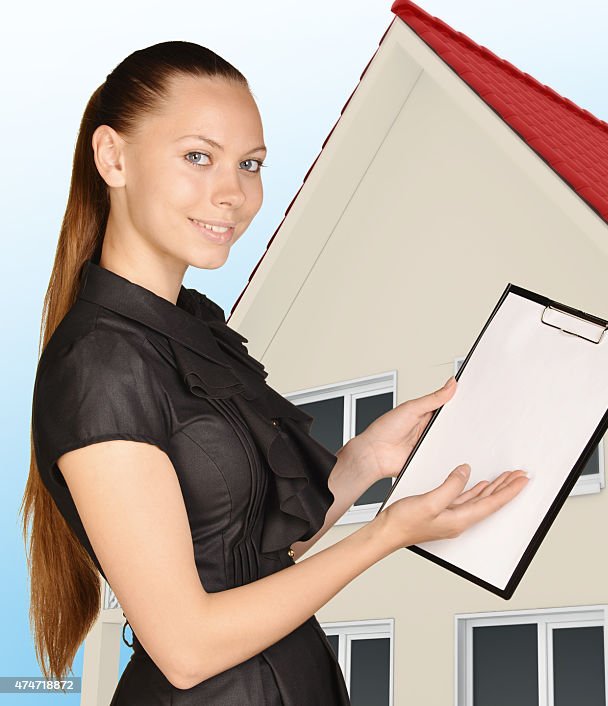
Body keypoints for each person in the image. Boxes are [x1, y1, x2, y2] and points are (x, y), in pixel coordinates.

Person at [21, 40, 530, 704]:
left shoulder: (192, 327)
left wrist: (365, 459)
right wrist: (387, 534)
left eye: (250, 164)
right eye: (197, 157)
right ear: (112, 157)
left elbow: (254, 552)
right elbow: (186, 648)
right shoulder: (102, 368)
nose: (232, 193)